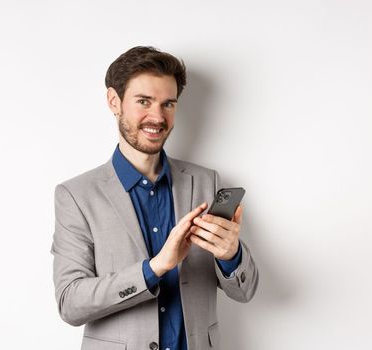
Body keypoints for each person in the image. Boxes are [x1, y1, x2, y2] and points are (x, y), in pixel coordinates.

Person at [50, 46, 259, 350]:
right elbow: (70, 303)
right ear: (114, 101)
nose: (157, 117)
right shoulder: (76, 195)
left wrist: (231, 255)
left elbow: (246, 291)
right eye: (144, 101)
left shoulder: (205, 182)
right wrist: (155, 268)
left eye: (168, 104)